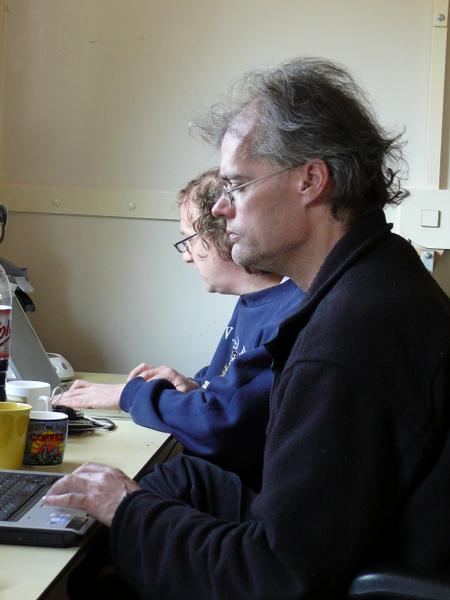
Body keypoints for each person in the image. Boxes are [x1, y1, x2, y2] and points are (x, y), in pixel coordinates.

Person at [44, 57, 450, 599]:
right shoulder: (383, 274)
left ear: (310, 180)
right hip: (351, 554)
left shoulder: (346, 341)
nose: (220, 208)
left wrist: (126, 508)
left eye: (236, 186)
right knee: (176, 484)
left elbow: (273, 577)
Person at [55, 167, 303, 489]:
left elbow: (222, 424)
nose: (187, 257)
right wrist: (193, 386)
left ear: (225, 233)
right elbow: (230, 393)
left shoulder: (287, 315)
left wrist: (129, 395)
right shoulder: (256, 303)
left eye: (189, 239)